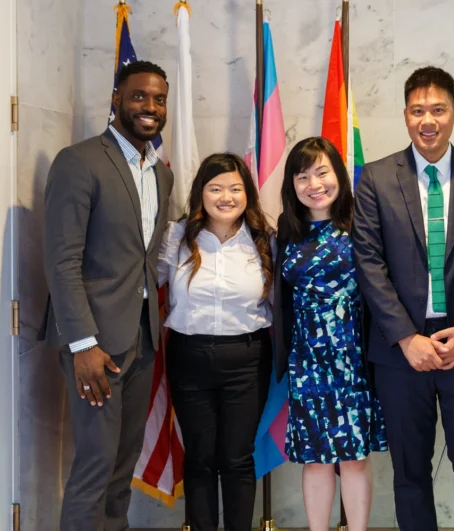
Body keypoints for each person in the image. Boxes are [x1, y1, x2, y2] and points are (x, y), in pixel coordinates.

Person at [352, 66, 454, 531]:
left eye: (438, 110)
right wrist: (405, 337)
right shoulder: (377, 178)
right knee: (410, 474)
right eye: (418, 110)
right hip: (402, 357)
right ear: (405, 116)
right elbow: (369, 263)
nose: (429, 120)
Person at [41, 60, 173, 530]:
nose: (150, 107)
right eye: (139, 96)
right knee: (95, 466)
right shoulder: (79, 161)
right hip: (94, 345)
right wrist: (82, 344)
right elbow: (62, 261)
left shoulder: (161, 174)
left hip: (141, 341)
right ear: (116, 99)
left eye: (159, 99)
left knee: (122, 466)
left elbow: (146, 257)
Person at [273, 137, 387, 531]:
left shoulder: (364, 226)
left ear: (339, 174)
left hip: (353, 358)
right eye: (302, 176)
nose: (314, 183)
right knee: (316, 456)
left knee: (354, 456)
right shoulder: (286, 233)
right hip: (306, 362)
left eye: (322, 172)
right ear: (292, 184)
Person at [158, 153, 274, 531]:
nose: (226, 196)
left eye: (235, 189)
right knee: (200, 458)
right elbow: (148, 283)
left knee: (238, 457)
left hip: (247, 358)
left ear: (248, 194)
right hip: (189, 356)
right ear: (201, 193)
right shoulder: (178, 237)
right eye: (216, 188)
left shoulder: (265, 240)